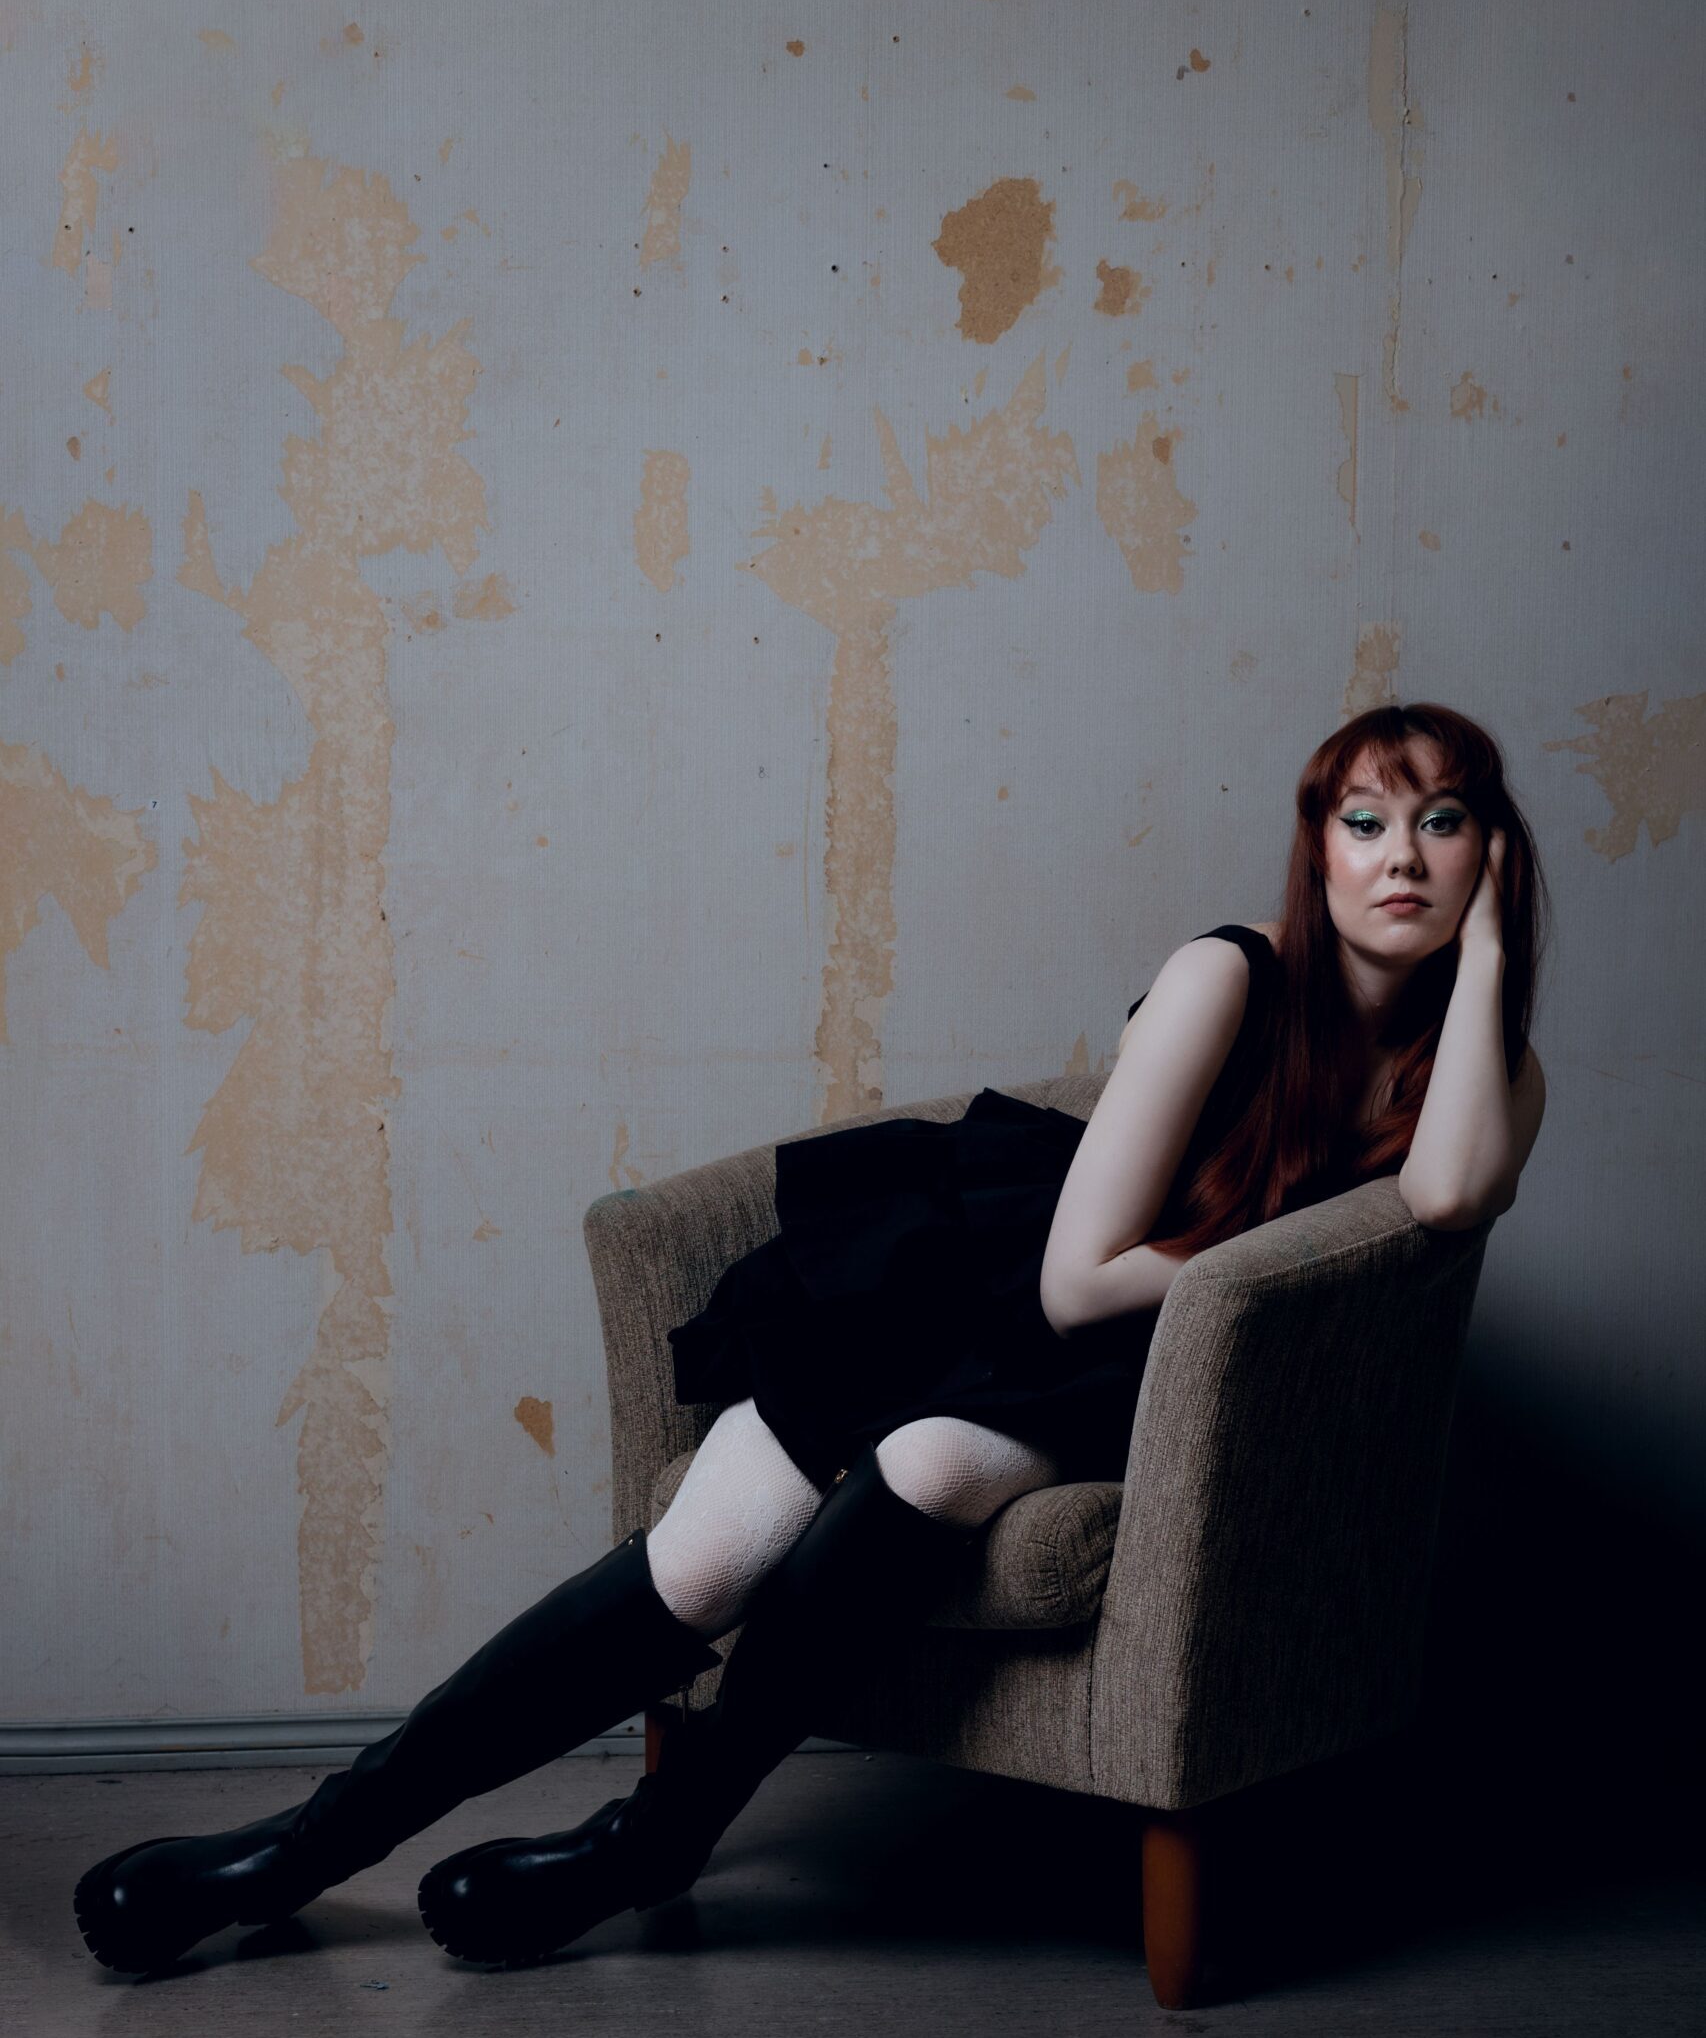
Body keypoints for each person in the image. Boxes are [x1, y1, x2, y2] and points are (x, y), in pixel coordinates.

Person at [72, 700, 1550, 1973]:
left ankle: (655, 1839)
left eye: (1443, 824)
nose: (1401, 860)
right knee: (707, 1560)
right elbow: (1071, 1282)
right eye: (1364, 823)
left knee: (932, 1465)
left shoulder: (1482, 1068)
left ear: (1489, 849)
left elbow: (1444, 1194)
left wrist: (1485, 957)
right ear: (1315, 850)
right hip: (1002, 1286)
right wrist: (1239, 1260)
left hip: (1169, 1381)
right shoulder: (1229, 975)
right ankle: (298, 1851)